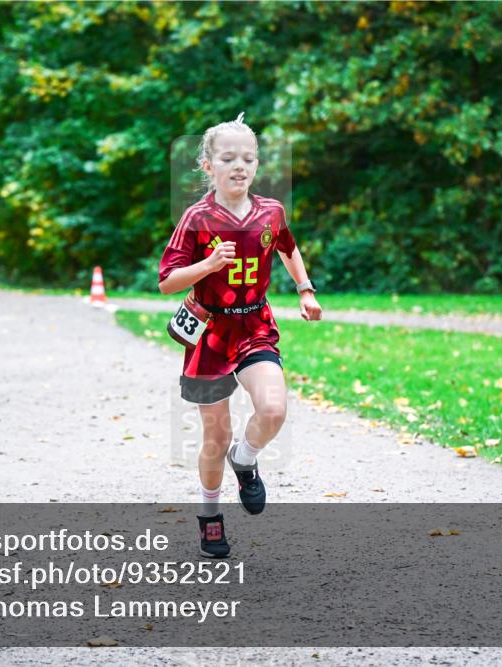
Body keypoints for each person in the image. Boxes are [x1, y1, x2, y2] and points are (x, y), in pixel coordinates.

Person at [158, 113, 322, 558]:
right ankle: (210, 516)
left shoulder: (271, 211)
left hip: (254, 326)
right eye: (228, 157)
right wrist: (207, 266)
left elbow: (287, 247)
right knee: (215, 435)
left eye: (248, 158)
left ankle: (246, 460)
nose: (239, 166)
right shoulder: (196, 219)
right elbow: (167, 281)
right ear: (207, 166)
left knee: (272, 408)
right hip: (210, 333)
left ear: (257, 165)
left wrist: (305, 290)